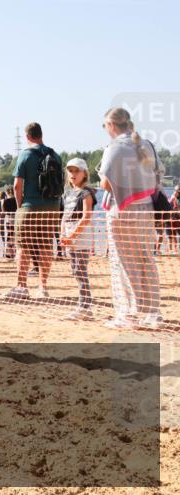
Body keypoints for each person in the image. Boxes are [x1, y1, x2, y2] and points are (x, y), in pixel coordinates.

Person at [98, 107, 163, 330]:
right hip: (146, 209)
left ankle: (128, 314)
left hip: (121, 211)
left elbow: (105, 184)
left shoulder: (114, 147)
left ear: (111, 125)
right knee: (146, 258)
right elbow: (158, 174)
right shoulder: (147, 145)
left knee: (123, 262)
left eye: (105, 126)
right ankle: (153, 312)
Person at [7, 123, 62, 300]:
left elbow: (17, 185)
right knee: (46, 245)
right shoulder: (55, 154)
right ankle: (43, 287)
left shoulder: (26, 154)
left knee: (23, 246)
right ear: (41, 134)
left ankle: (22, 286)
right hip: (52, 206)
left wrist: (20, 206)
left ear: (27, 136)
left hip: (30, 205)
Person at [60, 158, 97, 321]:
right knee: (75, 271)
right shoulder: (67, 193)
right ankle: (83, 305)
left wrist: (72, 236)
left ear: (84, 173)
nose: (73, 174)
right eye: (70, 171)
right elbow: (64, 216)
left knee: (81, 271)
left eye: (77, 171)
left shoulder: (86, 192)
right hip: (68, 234)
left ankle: (85, 307)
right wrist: (62, 235)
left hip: (80, 236)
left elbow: (86, 216)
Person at [0, 188, 18, 259]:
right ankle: (14, 253)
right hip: (16, 219)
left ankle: (8, 254)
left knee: (9, 236)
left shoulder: (5, 201)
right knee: (15, 236)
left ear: (7, 192)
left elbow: (3, 211)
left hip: (8, 219)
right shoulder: (17, 200)